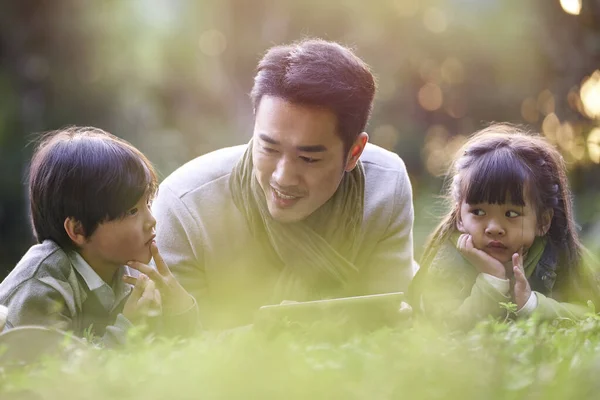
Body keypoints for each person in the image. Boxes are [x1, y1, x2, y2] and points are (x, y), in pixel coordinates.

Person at [152, 38, 418, 329]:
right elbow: (174, 347)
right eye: (269, 149)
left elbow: (390, 317)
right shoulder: (186, 205)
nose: (282, 177)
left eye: (308, 158)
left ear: (354, 152)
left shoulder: (384, 186)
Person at [0, 127, 198, 346]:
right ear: (78, 230)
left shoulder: (122, 275)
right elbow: (58, 374)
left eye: (148, 204)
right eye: (132, 211)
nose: (152, 220)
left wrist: (178, 308)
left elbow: (175, 361)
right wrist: (129, 328)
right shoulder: (40, 286)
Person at [409, 124, 600, 330]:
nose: (493, 228)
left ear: (543, 221)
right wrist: (492, 281)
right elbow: (442, 327)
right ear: (460, 217)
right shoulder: (449, 260)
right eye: (478, 212)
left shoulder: (560, 254)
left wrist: (531, 304)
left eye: (511, 214)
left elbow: (591, 315)